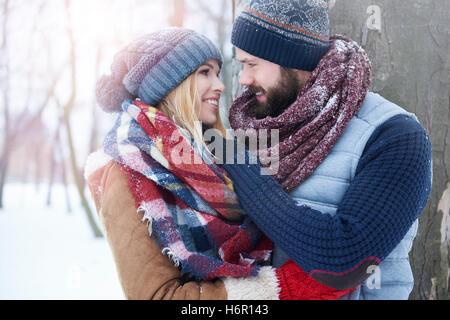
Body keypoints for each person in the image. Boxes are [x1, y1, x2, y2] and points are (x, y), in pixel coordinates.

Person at [84, 27, 354, 300]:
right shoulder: (126, 172)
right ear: (170, 84)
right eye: (204, 72)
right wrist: (278, 287)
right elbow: (158, 296)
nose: (221, 85)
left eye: (217, 72)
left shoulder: (215, 155)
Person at [219, 0, 432, 299]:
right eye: (241, 64)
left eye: (252, 64)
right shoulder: (253, 126)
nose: (243, 79)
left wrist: (242, 168)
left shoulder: (395, 135)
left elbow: (345, 262)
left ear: (293, 59)